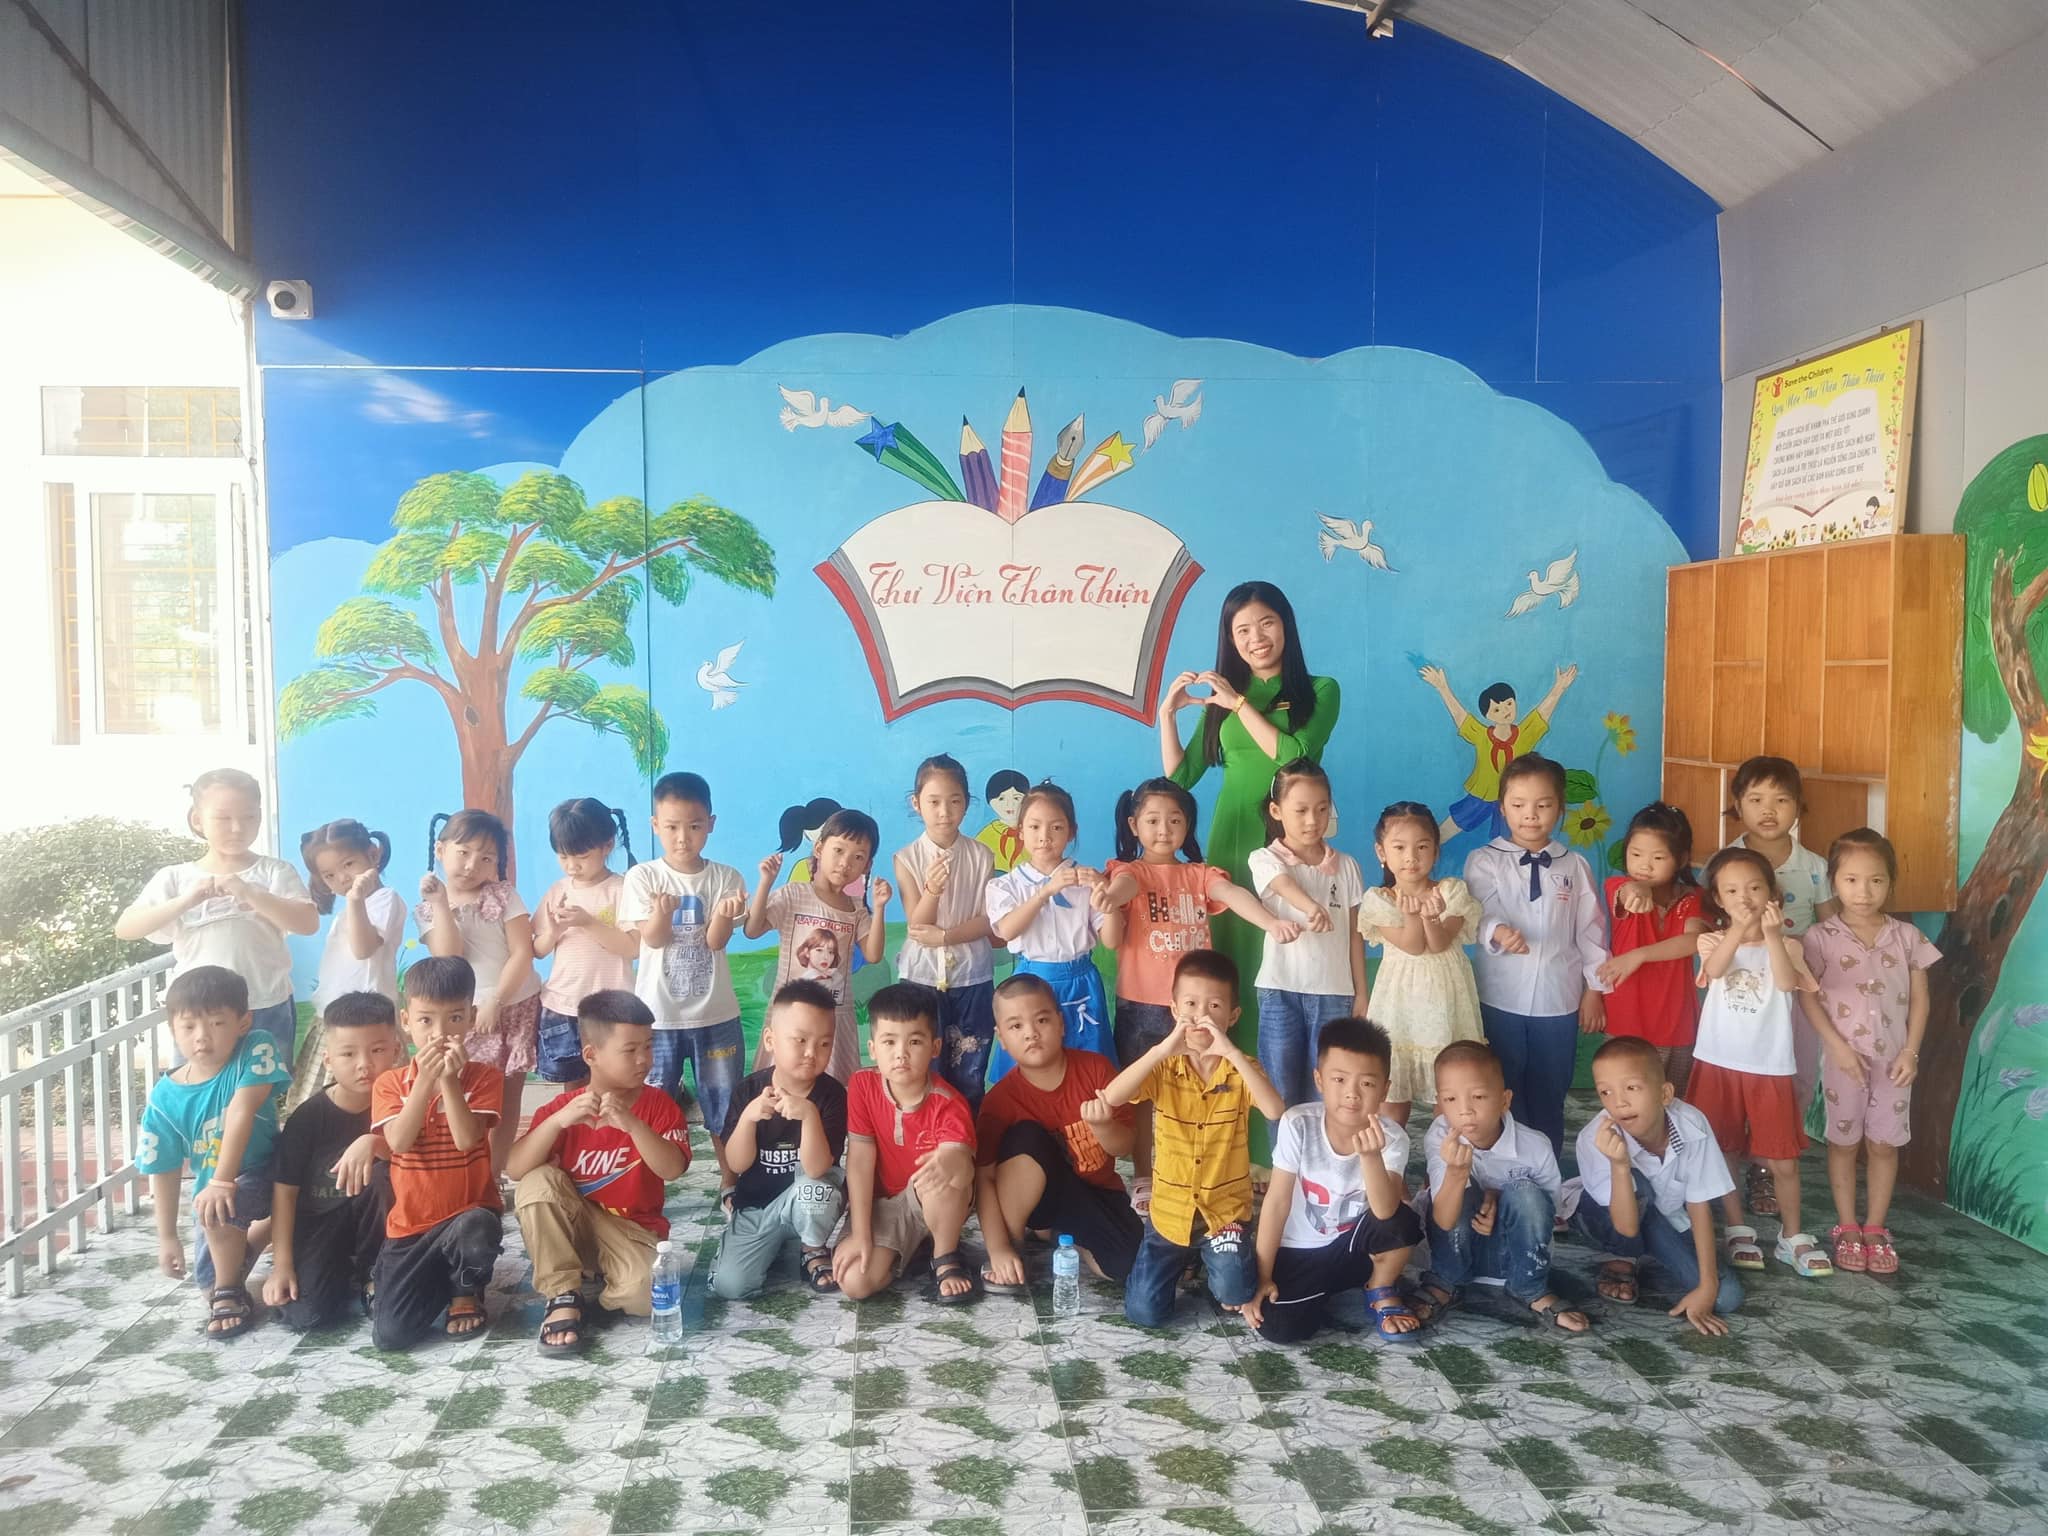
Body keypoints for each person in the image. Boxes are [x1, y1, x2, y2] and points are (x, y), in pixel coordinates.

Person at [1158, 582, 1339, 1137]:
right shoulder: (1223, 698)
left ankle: (1283, 1132)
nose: (1256, 638)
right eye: (1242, 630)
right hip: (1232, 841)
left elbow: (1294, 755)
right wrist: (1168, 715)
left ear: (1285, 626)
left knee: (1283, 968)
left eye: (1266, 623)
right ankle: (1233, 1127)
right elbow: (1181, 777)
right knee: (1232, 973)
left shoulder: (1320, 689)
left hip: (1291, 844)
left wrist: (1237, 704)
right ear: (1229, 639)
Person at [1094, 778, 1298, 1204]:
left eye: (1175, 820)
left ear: (1188, 825)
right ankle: (1145, 1175)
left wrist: (1270, 923)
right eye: (1153, 820)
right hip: (1144, 1007)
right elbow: (1124, 888)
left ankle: (1201, 1174)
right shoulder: (1129, 872)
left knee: (1200, 1091)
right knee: (1144, 1099)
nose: (1164, 829)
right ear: (1133, 824)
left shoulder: (1199, 874)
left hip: (1200, 1013)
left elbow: (1232, 894)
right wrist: (1109, 897)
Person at [1092, 949, 1282, 1328]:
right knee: (1145, 1313)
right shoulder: (1164, 1065)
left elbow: (1275, 1110)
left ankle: (1212, 1257)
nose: (1201, 1015)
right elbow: (1112, 1096)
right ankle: (1189, 1257)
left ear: (1232, 1016)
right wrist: (1162, 1048)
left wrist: (1231, 1052)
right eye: (1191, 1004)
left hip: (1224, 1214)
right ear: (1175, 1009)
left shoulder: (1241, 1068)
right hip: (1169, 1213)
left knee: (1234, 1292)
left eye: (1215, 1006)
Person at [507, 990, 690, 1357]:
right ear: (591, 1055)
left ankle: (593, 1291)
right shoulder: (563, 1109)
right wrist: (557, 1123)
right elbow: (515, 1169)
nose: (644, 1059)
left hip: (631, 1231)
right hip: (574, 1224)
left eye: (649, 1047)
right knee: (536, 1182)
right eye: (630, 1050)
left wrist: (633, 1125)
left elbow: (673, 1169)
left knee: (645, 1296)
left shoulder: (659, 1106)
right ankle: (562, 1294)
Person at [1798, 829, 1939, 1275]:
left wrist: (1911, 1053)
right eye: (1852, 880)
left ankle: (1875, 1228)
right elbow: (1808, 996)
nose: (1864, 891)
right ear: (1834, 882)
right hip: (1845, 1063)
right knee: (1843, 1144)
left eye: (1876, 880)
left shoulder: (1908, 937)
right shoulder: (1820, 937)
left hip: (1895, 1064)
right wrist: (1837, 1048)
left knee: (1883, 1144)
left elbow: (1921, 1000)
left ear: (1890, 882)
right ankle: (1846, 1226)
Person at [1690, 848, 1830, 1279]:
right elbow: (1716, 970)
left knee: (1783, 1159)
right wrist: (1737, 929)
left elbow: (1787, 984)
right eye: (1732, 891)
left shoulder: (1788, 945)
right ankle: (1737, 1228)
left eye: (1754, 888)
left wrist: (1771, 936)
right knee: (1725, 1149)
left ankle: (1792, 1236)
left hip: (1769, 1067)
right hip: (1717, 1062)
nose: (1744, 897)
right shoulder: (1711, 940)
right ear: (1718, 899)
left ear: (1772, 894)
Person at [1244, 1017, 1426, 1343]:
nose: (1351, 1094)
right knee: (1278, 1327)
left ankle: (1380, 1288)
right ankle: (1325, 1292)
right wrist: (1263, 1275)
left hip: (1354, 1247)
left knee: (1403, 1222)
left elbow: (1385, 1213)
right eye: (1339, 1079)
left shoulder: (1392, 1138)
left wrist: (1370, 1157)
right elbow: (1277, 1203)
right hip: (1299, 1249)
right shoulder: (1298, 1123)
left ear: (1384, 1089)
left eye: (1367, 1084)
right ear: (1319, 1080)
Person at [118, 767, 319, 1062]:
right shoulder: (176, 877)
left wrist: (250, 893)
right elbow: (126, 927)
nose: (237, 828)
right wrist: (186, 901)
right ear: (198, 819)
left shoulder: (274, 871)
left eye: (249, 817)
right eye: (224, 818)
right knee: (198, 1087)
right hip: (197, 1013)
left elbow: (308, 922)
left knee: (266, 1089)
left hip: (263, 1003)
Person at [1463, 754, 1609, 1155]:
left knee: (1550, 1088)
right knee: (1502, 1088)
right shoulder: (1485, 860)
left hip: (1558, 1000)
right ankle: (1503, 1166)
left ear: (1560, 810)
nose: (1531, 814)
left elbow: (1591, 930)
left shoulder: (1574, 865)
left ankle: (1546, 1168)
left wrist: (1594, 990)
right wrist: (1497, 931)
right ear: (1503, 807)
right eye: (1519, 804)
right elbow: (1477, 911)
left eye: (1543, 805)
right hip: (1500, 997)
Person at [137, 965, 294, 1339]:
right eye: (188, 1026)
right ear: (172, 1029)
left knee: (225, 1218)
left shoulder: (255, 1047)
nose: (202, 1037)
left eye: (217, 1023)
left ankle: (231, 1291)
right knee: (207, 1279)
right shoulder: (163, 1099)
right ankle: (247, 1251)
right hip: (215, 1189)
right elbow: (164, 1168)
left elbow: (242, 1109)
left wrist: (223, 1181)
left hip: (270, 1167)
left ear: (243, 1022)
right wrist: (167, 1237)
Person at [617, 772, 748, 1184]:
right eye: (672, 827)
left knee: (724, 1105)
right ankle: (643, 1188)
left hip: (716, 1017)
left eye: (694, 826)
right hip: (657, 1019)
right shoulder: (643, 877)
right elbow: (653, 939)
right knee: (649, 1104)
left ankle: (730, 1184)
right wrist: (661, 912)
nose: (682, 838)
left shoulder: (726, 877)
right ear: (655, 825)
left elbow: (715, 942)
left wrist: (723, 915)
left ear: (711, 823)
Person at [1722, 756, 1838, 1218]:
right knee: (1740, 1080)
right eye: (1756, 800)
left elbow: (1829, 930)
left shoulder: (1815, 868)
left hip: (1796, 992)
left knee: (1797, 1078)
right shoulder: (1725, 863)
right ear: (1738, 805)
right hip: (1743, 996)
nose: (1768, 810)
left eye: (1781, 800)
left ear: (1798, 807)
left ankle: (1766, 1166)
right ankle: (1730, 1166)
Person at [370, 956, 505, 1350]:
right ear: (406, 1021)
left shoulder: (484, 1078)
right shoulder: (390, 1083)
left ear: (472, 1018)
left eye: (455, 1019)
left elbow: (467, 1139)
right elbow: (398, 1142)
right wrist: (424, 1081)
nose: (440, 1033)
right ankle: (436, 1281)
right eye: (426, 1020)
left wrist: (448, 1081)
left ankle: (465, 1291)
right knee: (391, 1336)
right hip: (410, 1227)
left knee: (478, 1225)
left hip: (466, 1217)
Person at [1562, 1035, 1740, 1335]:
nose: (1618, 1102)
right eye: (1605, 1092)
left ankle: (1651, 1248)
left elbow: (1699, 1205)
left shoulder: (1692, 1124)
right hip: (1609, 1218)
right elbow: (1626, 1227)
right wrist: (1620, 1165)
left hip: (1664, 1215)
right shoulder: (1595, 1138)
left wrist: (1707, 1285)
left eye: (1631, 1088)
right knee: (1639, 1186)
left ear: (1665, 1093)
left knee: (1727, 1297)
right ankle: (1621, 1256)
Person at [975, 974, 1140, 1293]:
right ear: (1002, 1039)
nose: (1031, 1033)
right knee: (1026, 1136)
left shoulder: (1096, 1070)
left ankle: (1055, 1234)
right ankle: (1016, 1241)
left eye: (1041, 1020)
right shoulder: (999, 1101)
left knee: (1125, 1266)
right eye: (1016, 1026)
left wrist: (1104, 1126)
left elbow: (1124, 1146)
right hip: (1037, 1195)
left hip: (1095, 1192)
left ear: (1061, 1023)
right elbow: (985, 1178)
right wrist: (998, 1249)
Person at [1411, 1041, 1590, 1334]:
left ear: (1505, 1100)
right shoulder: (1441, 1136)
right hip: (1457, 1250)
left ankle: (1530, 1288)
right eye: (1450, 1099)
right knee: (1456, 1191)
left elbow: (1549, 1214)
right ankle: (1444, 1281)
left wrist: (1501, 1198)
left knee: (1525, 1193)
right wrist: (1457, 1173)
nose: (1465, 1111)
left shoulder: (1535, 1147)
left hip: (1513, 1256)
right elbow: (1443, 1218)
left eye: (1479, 1097)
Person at [832, 983, 979, 1304]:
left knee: (942, 1174)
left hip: (930, 1199)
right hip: (883, 1204)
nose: (901, 1053)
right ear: (872, 1048)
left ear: (935, 1047)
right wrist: (861, 1234)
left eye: (914, 1041)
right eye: (889, 1041)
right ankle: (914, 1248)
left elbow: (963, 1170)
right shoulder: (862, 1086)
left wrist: (951, 1160)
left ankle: (944, 1256)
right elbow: (859, 1161)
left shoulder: (948, 1102)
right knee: (855, 1283)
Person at [263, 990, 399, 1330]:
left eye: (377, 1050)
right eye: (348, 1053)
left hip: (380, 1224)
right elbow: (285, 1194)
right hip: (320, 1224)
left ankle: (375, 1272)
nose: (364, 1064)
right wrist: (282, 1265)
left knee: (382, 1177)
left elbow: (418, 1162)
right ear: (327, 1060)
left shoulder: (403, 1107)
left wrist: (376, 1143)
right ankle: (340, 1272)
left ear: (396, 1051)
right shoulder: (308, 1119)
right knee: (306, 1315)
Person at [417, 810, 540, 1175]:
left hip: (514, 1005)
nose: (472, 865)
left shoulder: (504, 895)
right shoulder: (427, 909)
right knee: (467, 1093)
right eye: (464, 852)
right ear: (440, 850)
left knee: (507, 1098)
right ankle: (465, 1172)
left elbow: (522, 953)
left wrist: (496, 1000)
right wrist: (441, 903)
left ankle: (493, 1175)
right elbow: (450, 955)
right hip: (465, 1017)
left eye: (486, 858)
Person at [1244, 759, 1369, 1110]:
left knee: (1328, 1092)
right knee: (1280, 1089)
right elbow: (1281, 884)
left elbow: (1355, 934)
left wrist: (1361, 993)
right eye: (1300, 810)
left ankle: (1322, 1150)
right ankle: (1283, 1149)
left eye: (1322, 809)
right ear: (1276, 811)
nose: (1313, 820)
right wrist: (1311, 906)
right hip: (1279, 990)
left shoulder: (1347, 866)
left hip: (1334, 993)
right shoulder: (1264, 858)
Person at [712, 980, 849, 1299]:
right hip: (757, 1206)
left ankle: (812, 1249)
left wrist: (809, 1115)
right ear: (770, 1040)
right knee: (731, 1286)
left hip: (806, 1200)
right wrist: (748, 1118)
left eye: (824, 1043)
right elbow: (737, 1163)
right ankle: (767, 1243)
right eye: (800, 1040)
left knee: (815, 1190)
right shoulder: (748, 1091)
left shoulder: (832, 1095)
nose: (812, 1053)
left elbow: (817, 1169)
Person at [1357, 800, 1485, 1131]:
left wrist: (1431, 918)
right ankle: (1390, 1161)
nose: (1411, 857)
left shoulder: (1452, 891)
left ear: (1436, 851)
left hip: (1446, 1003)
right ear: (1381, 852)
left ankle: (1444, 1161)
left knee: (1450, 1092)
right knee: (1393, 1098)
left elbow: (1439, 944)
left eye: (1422, 847)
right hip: (1399, 1003)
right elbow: (1413, 947)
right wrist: (1414, 916)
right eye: (1399, 847)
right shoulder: (1378, 900)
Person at [746, 808, 893, 1084]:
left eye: (858, 857)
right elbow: (753, 930)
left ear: (867, 866)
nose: (845, 863)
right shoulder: (794, 894)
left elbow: (873, 955)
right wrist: (765, 882)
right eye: (838, 850)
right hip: (790, 1014)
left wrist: (880, 908)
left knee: (833, 1090)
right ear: (819, 848)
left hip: (834, 1016)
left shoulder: (857, 909)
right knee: (782, 1085)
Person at [892, 753, 998, 1112]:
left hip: (973, 977)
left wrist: (946, 937)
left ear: (966, 804)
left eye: (954, 801)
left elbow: (988, 920)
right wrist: (932, 891)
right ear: (916, 803)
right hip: (921, 978)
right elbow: (917, 926)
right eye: (934, 802)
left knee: (970, 1071)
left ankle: (967, 1140)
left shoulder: (982, 856)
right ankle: (925, 1137)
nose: (944, 812)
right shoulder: (906, 858)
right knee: (923, 1069)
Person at [984, 781, 1111, 1077]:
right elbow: (1006, 931)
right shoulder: (1006, 885)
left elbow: (1112, 940)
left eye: (1056, 827)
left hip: (1081, 983)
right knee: (1028, 1064)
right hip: (1030, 983)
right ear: (1020, 832)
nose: (1045, 837)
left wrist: (1108, 895)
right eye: (1034, 827)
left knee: (1086, 1068)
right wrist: (1044, 892)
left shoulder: (1086, 880)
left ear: (1071, 831)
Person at [1597, 804, 1708, 1094]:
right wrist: (1638, 890)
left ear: (1681, 859)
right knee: (1626, 1099)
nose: (1644, 866)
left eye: (1658, 858)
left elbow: (1694, 940)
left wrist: (1639, 955)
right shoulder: (1617, 886)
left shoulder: (1693, 898)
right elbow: (1629, 892)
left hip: (1677, 1023)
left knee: (1674, 1100)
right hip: (1627, 1022)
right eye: (1636, 855)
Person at [531, 798, 639, 1093]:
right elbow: (538, 949)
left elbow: (633, 947)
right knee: (574, 1088)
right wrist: (553, 932)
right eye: (563, 856)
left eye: (581, 856)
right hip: (563, 1004)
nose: (571, 866)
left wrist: (588, 922)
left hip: (611, 1008)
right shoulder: (558, 890)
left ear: (607, 845)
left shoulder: (621, 889)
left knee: (615, 1082)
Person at [299, 818, 405, 1108]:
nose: (342, 879)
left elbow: (363, 948)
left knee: (378, 1102)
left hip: (369, 1023)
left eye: (348, 864)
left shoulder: (385, 899)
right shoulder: (347, 910)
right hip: (334, 1019)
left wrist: (356, 900)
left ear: (373, 854)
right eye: (329, 875)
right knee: (323, 1104)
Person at [1416, 665, 1577, 845]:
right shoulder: (1481, 735)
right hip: (1482, 794)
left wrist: (1559, 687)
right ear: (1488, 715)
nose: (1505, 711)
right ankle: (1426, 847)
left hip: (1514, 800)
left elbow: (1542, 713)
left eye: (1509, 704)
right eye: (1497, 709)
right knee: (1452, 826)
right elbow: (1461, 717)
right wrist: (1442, 687)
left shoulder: (1524, 735)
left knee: (1507, 842)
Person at [976, 768, 1029, 873]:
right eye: (1001, 799)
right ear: (990, 801)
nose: (1009, 804)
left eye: (1016, 798)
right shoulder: (986, 835)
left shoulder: (1032, 831)